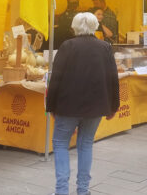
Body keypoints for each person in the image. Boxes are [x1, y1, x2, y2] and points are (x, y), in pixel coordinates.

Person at [47, 12, 119, 194]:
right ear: (95, 26)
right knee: (85, 144)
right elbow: (113, 78)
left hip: (67, 106)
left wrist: (51, 105)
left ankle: (61, 190)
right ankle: (83, 189)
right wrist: (113, 105)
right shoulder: (105, 47)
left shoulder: (67, 46)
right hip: (95, 106)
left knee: (61, 143)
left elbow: (55, 78)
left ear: (74, 26)